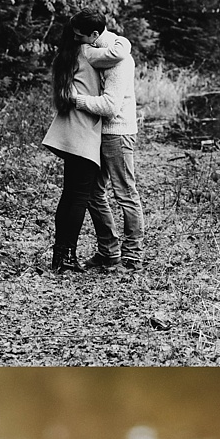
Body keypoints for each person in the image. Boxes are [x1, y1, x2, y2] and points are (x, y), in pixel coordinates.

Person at [41, 11, 120, 273]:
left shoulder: (67, 55)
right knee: (78, 197)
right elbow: (118, 54)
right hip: (83, 132)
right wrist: (123, 40)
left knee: (69, 195)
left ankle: (60, 255)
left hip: (70, 130)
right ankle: (66, 258)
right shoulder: (86, 51)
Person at [84, 25, 145, 269]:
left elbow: (109, 107)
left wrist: (76, 100)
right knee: (92, 192)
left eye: (81, 35)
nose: (78, 41)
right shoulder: (101, 53)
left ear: (94, 34)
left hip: (118, 133)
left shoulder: (121, 60)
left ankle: (133, 255)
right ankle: (108, 251)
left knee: (126, 193)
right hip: (100, 132)